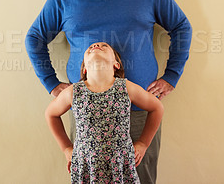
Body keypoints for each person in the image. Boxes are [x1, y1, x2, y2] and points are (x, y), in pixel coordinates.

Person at [26, 0, 192, 183]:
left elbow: (181, 26)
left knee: (142, 178)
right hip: (86, 115)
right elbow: (34, 38)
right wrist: (51, 84)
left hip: (138, 112)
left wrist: (171, 76)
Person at [45, 42, 164, 183]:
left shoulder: (126, 88)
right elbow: (51, 114)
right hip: (87, 166)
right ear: (84, 69)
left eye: (104, 46)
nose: (96, 45)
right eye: (90, 47)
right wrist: (66, 148)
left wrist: (143, 143)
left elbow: (157, 108)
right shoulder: (73, 92)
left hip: (120, 166)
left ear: (116, 64)